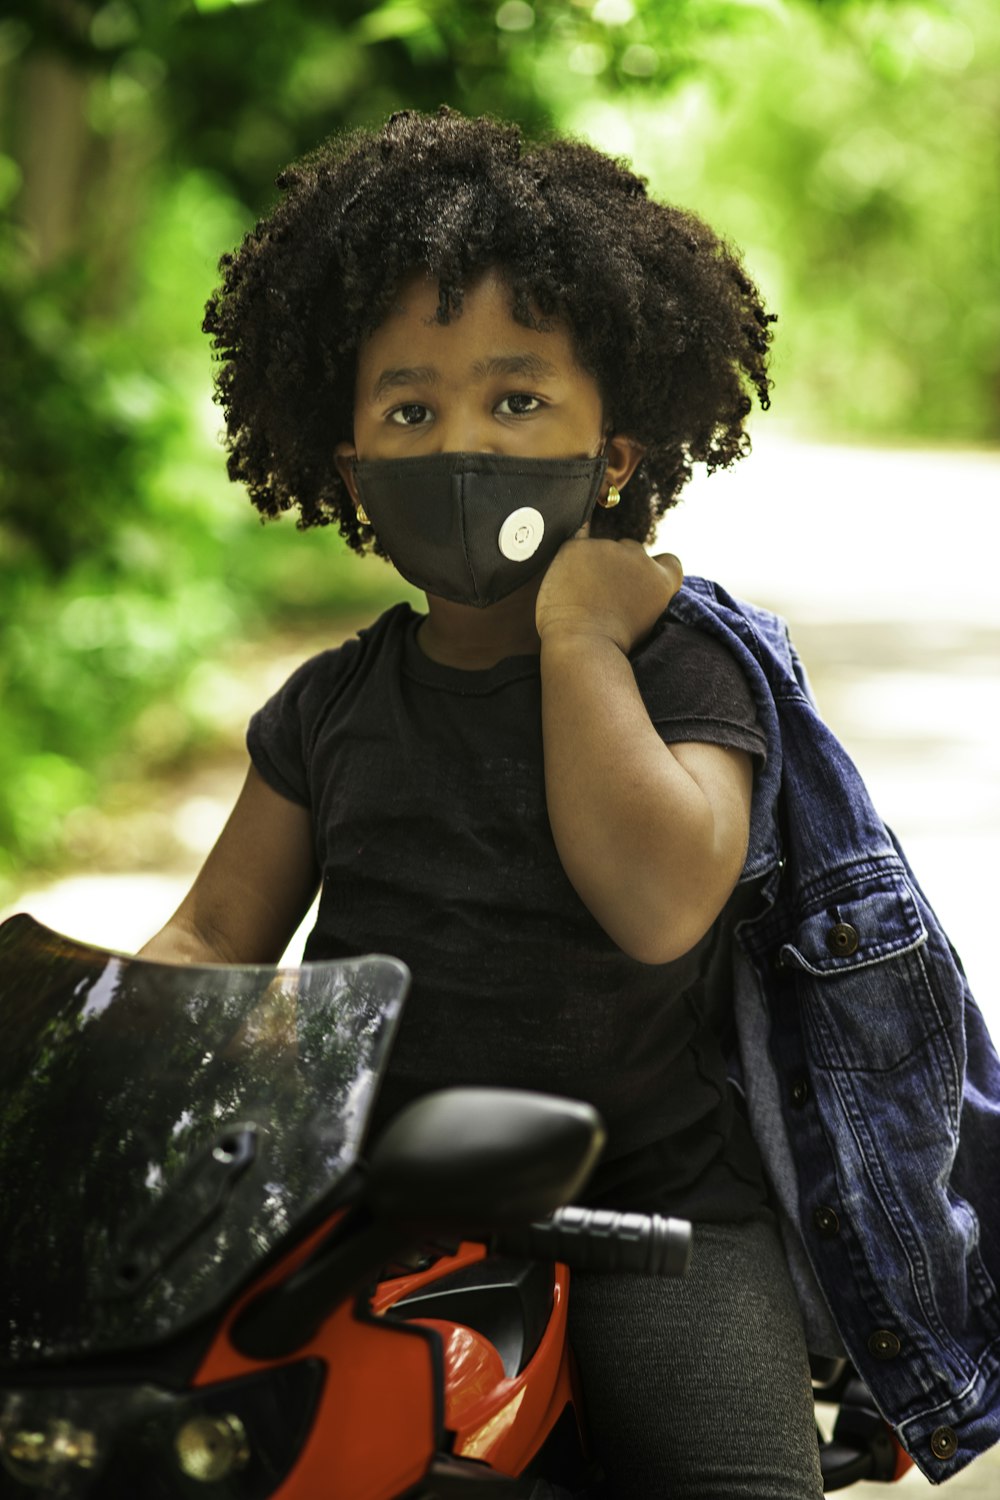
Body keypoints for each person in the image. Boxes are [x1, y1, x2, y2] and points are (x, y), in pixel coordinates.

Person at [140, 107, 824, 1497]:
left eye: (518, 401)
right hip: (361, 1213)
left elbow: (658, 903)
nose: (464, 447)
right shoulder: (332, 707)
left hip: (651, 1215)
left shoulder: (689, 667)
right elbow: (212, 941)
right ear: (350, 475)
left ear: (614, 457)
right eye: (411, 409)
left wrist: (579, 636)